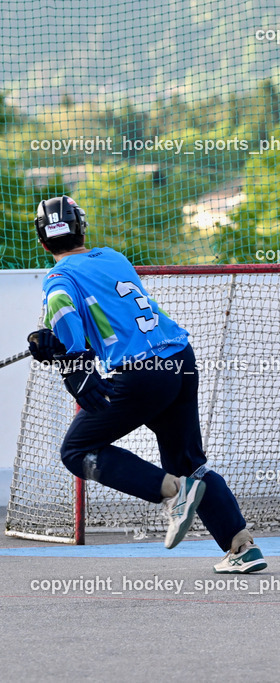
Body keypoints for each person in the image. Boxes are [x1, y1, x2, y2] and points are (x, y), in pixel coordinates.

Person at [26, 195, 266, 573]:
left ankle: (172, 492)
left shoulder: (60, 277)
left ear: (42, 243)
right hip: (180, 361)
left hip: (143, 374)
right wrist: (55, 344)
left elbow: (63, 308)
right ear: (82, 230)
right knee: (190, 463)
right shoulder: (113, 258)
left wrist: (71, 362)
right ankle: (241, 547)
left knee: (76, 451)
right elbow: (107, 320)